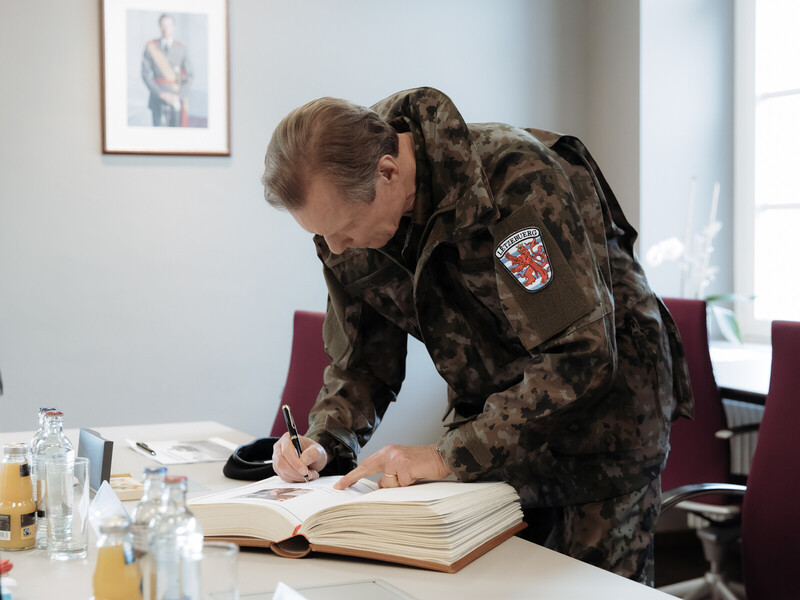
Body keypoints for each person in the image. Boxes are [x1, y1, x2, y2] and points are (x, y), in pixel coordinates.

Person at [263, 87, 692, 586]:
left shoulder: (509, 183)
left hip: (604, 432)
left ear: (387, 171)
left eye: (344, 228)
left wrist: (447, 454)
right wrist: (322, 440)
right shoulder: (348, 222)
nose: (335, 248)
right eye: (320, 236)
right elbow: (363, 363)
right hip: (501, 430)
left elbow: (578, 354)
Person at [141, 13, 193, 127]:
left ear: (173, 26)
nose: (165, 29)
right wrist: (161, 94)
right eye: (163, 26)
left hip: (176, 98)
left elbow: (189, 76)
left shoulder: (182, 48)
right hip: (157, 98)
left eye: (168, 25)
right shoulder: (151, 47)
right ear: (159, 27)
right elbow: (145, 74)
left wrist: (178, 96)